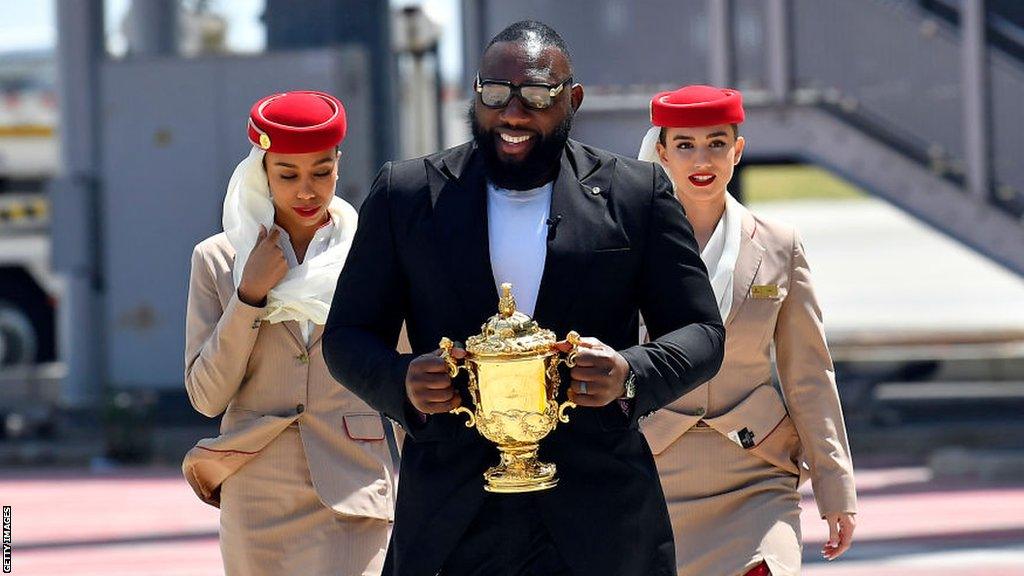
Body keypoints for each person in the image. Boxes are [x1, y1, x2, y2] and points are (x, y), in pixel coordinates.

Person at [323, 20, 724, 576]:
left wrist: (628, 373)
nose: (513, 113)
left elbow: (702, 331)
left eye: (537, 95)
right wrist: (402, 382)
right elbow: (346, 335)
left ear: (573, 99)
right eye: (495, 93)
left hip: (601, 519)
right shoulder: (406, 195)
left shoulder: (637, 194)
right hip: (453, 518)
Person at [637, 85, 858, 575]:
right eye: (685, 145)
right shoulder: (624, 245)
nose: (702, 158)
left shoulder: (781, 245)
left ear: (737, 151)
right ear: (661, 153)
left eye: (717, 143)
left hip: (757, 471)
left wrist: (835, 486)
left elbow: (810, 374)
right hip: (652, 469)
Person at [181, 90, 398, 576]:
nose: (307, 190)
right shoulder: (217, 261)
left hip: (355, 489)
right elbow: (206, 397)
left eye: (322, 172)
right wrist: (249, 297)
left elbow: (405, 380)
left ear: (339, 164)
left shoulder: (372, 255)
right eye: (287, 174)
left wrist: (435, 491)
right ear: (261, 171)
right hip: (257, 497)